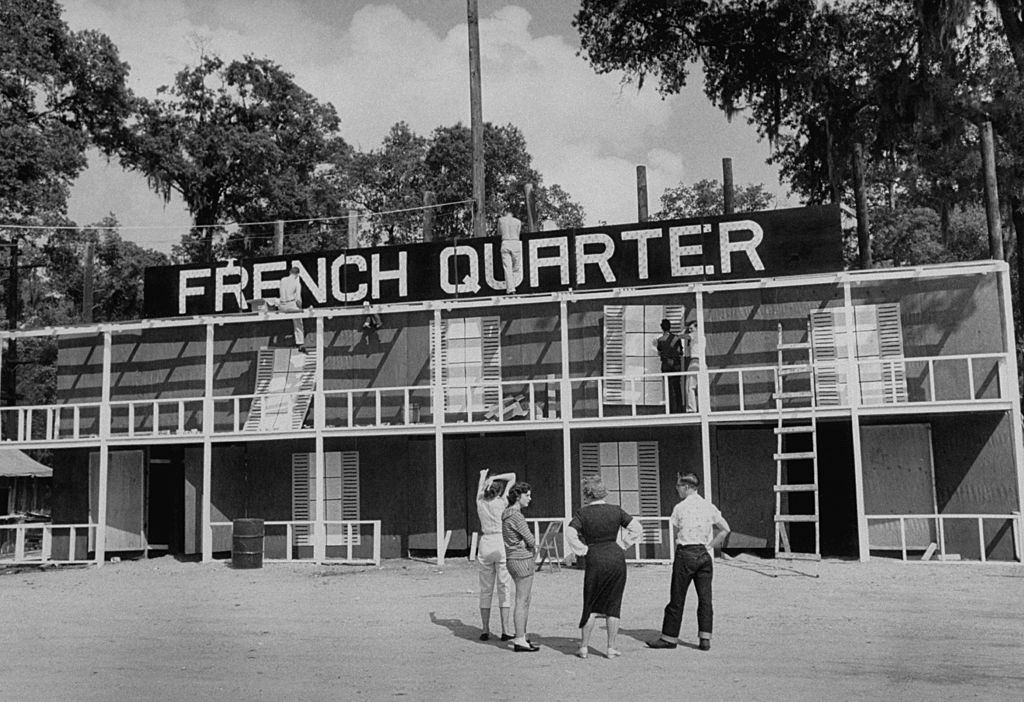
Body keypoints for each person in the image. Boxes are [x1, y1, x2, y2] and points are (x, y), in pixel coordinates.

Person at [648, 472, 730, 652]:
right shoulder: (709, 506)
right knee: (705, 598)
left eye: (678, 487)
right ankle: (705, 638)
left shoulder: (680, 507)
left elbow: (677, 526)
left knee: (677, 597)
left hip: (686, 553)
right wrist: (710, 546)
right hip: (703, 553)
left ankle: (669, 637)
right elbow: (725, 529)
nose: (677, 490)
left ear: (686, 487)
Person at [565, 475, 643, 659]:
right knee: (613, 604)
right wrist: (623, 544)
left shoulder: (582, 514)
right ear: (603, 491)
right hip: (616, 556)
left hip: (595, 557)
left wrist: (582, 549)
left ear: (587, 494)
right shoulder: (616, 510)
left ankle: (583, 647)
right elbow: (637, 528)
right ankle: (611, 647)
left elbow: (569, 532)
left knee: (590, 604)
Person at [475, 469, 516, 642]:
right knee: (504, 586)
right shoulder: (502, 502)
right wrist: (495, 477)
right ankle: (505, 630)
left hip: (485, 542)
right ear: (499, 491)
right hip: (500, 541)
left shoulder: (480, 502)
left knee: (486, 589)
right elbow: (513, 476)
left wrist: (483, 477)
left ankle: (485, 629)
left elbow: (479, 488)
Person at [502, 481, 539, 651]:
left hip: (511, 558)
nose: (530, 499)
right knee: (522, 600)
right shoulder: (517, 515)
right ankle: (519, 638)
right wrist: (529, 545)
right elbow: (531, 540)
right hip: (522, 559)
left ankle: (521, 636)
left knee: (522, 599)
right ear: (518, 496)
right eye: (527, 495)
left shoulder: (506, 514)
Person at [654, 319, 684, 413]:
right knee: (677, 387)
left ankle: (670, 409)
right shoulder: (676, 338)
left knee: (668, 388)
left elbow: (659, 353)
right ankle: (679, 408)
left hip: (666, 365)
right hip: (675, 365)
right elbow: (680, 352)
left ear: (662, 327)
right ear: (670, 326)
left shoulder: (660, 340)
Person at [278, 265, 307, 353]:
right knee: (298, 322)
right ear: (297, 275)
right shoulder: (296, 283)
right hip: (291, 305)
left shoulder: (283, 280)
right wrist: (300, 309)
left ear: (290, 272)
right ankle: (300, 343)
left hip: (282, 306)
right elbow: (298, 298)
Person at [498, 208, 523, 295]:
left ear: (505, 212)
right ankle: (515, 285)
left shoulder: (501, 220)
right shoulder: (518, 222)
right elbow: (518, 233)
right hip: (515, 242)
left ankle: (511, 288)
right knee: (516, 267)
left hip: (505, 242)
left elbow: (499, 232)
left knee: (507, 268)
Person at [683, 320, 703, 412]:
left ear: (697, 328)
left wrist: (683, 331)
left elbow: (683, 336)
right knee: (702, 386)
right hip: (702, 362)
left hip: (695, 361)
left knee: (690, 386)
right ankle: (705, 408)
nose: (690, 330)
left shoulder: (695, 334)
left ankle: (692, 409)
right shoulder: (702, 336)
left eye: (691, 328)